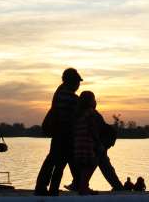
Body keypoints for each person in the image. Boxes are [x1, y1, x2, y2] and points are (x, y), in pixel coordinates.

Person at [34, 67, 82, 195]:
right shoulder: (71, 97)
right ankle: (53, 189)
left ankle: (44, 187)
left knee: (53, 161)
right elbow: (77, 114)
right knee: (59, 163)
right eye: (77, 82)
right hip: (65, 135)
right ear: (72, 82)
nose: (78, 85)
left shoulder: (59, 93)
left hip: (58, 134)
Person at [73, 91, 100, 195]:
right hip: (87, 143)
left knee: (83, 166)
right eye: (93, 99)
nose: (95, 101)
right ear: (90, 101)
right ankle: (83, 188)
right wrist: (98, 143)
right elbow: (92, 128)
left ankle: (83, 187)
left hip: (78, 143)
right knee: (89, 165)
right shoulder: (90, 112)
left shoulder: (77, 113)